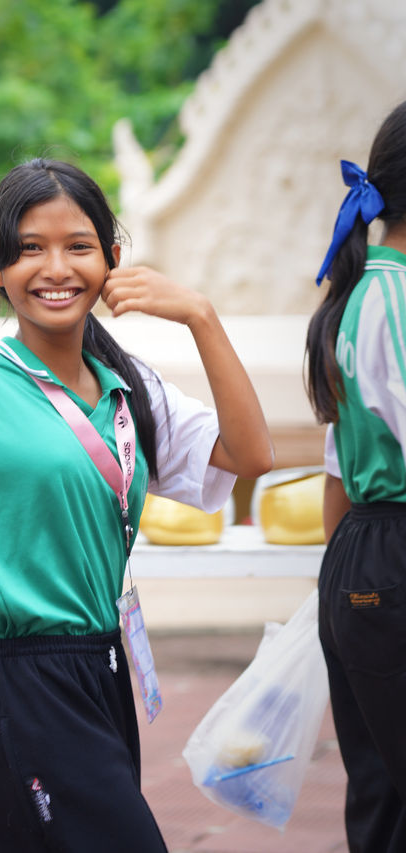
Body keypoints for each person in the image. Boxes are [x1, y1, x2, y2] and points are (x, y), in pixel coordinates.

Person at [0, 157, 273, 852]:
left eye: (78, 246)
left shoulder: (129, 386)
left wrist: (200, 317)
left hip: (105, 669)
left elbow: (250, 457)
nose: (55, 267)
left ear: (112, 260)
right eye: (30, 248)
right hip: (24, 684)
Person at [306, 100, 406, 853]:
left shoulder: (361, 293)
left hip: (366, 555)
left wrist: (341, 592)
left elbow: (338, 469)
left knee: (383, 795)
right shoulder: (395, 298)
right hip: (393, 552)